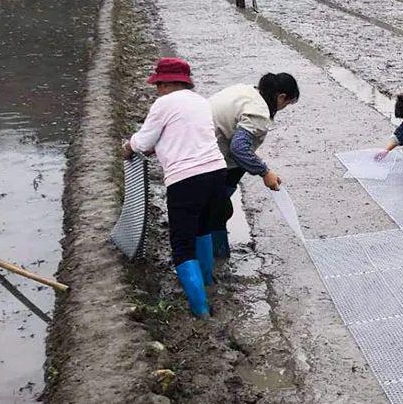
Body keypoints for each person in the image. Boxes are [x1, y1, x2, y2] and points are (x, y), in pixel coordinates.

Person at [123, 58, 226, 319]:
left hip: (186, 180)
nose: (157, 89)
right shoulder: (201, 101)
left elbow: (144, 141)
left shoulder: (164, 103)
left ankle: (200, 310)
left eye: (159, 84)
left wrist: (127, 146)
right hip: (216, 173)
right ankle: (207, 284)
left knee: (182, 245)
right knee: (202, 230)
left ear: (167, 83)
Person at [207, 73, 300, 258]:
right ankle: (216, 255)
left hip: (201, 144)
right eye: (287, 103)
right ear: (281, 97)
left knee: (217, 204)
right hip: (206, 156)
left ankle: (213, 243)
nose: (283, 108)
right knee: (218, 209)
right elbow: (239, 149)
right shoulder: (259, 112)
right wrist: (265, 172)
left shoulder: (247, 91)